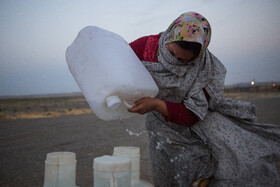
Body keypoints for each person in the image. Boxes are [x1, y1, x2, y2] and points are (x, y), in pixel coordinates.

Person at [128, 12, 280, 187]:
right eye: (171, 52)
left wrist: (155, 103)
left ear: (197, 56)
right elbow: (117, 63)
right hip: (158, 124)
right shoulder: (146, 46)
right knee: (165, 175)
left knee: (207, 166)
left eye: (183, 60)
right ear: (169, 35)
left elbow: (192, 114)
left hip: (193, 124)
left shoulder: (206, 70)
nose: (175, 61)